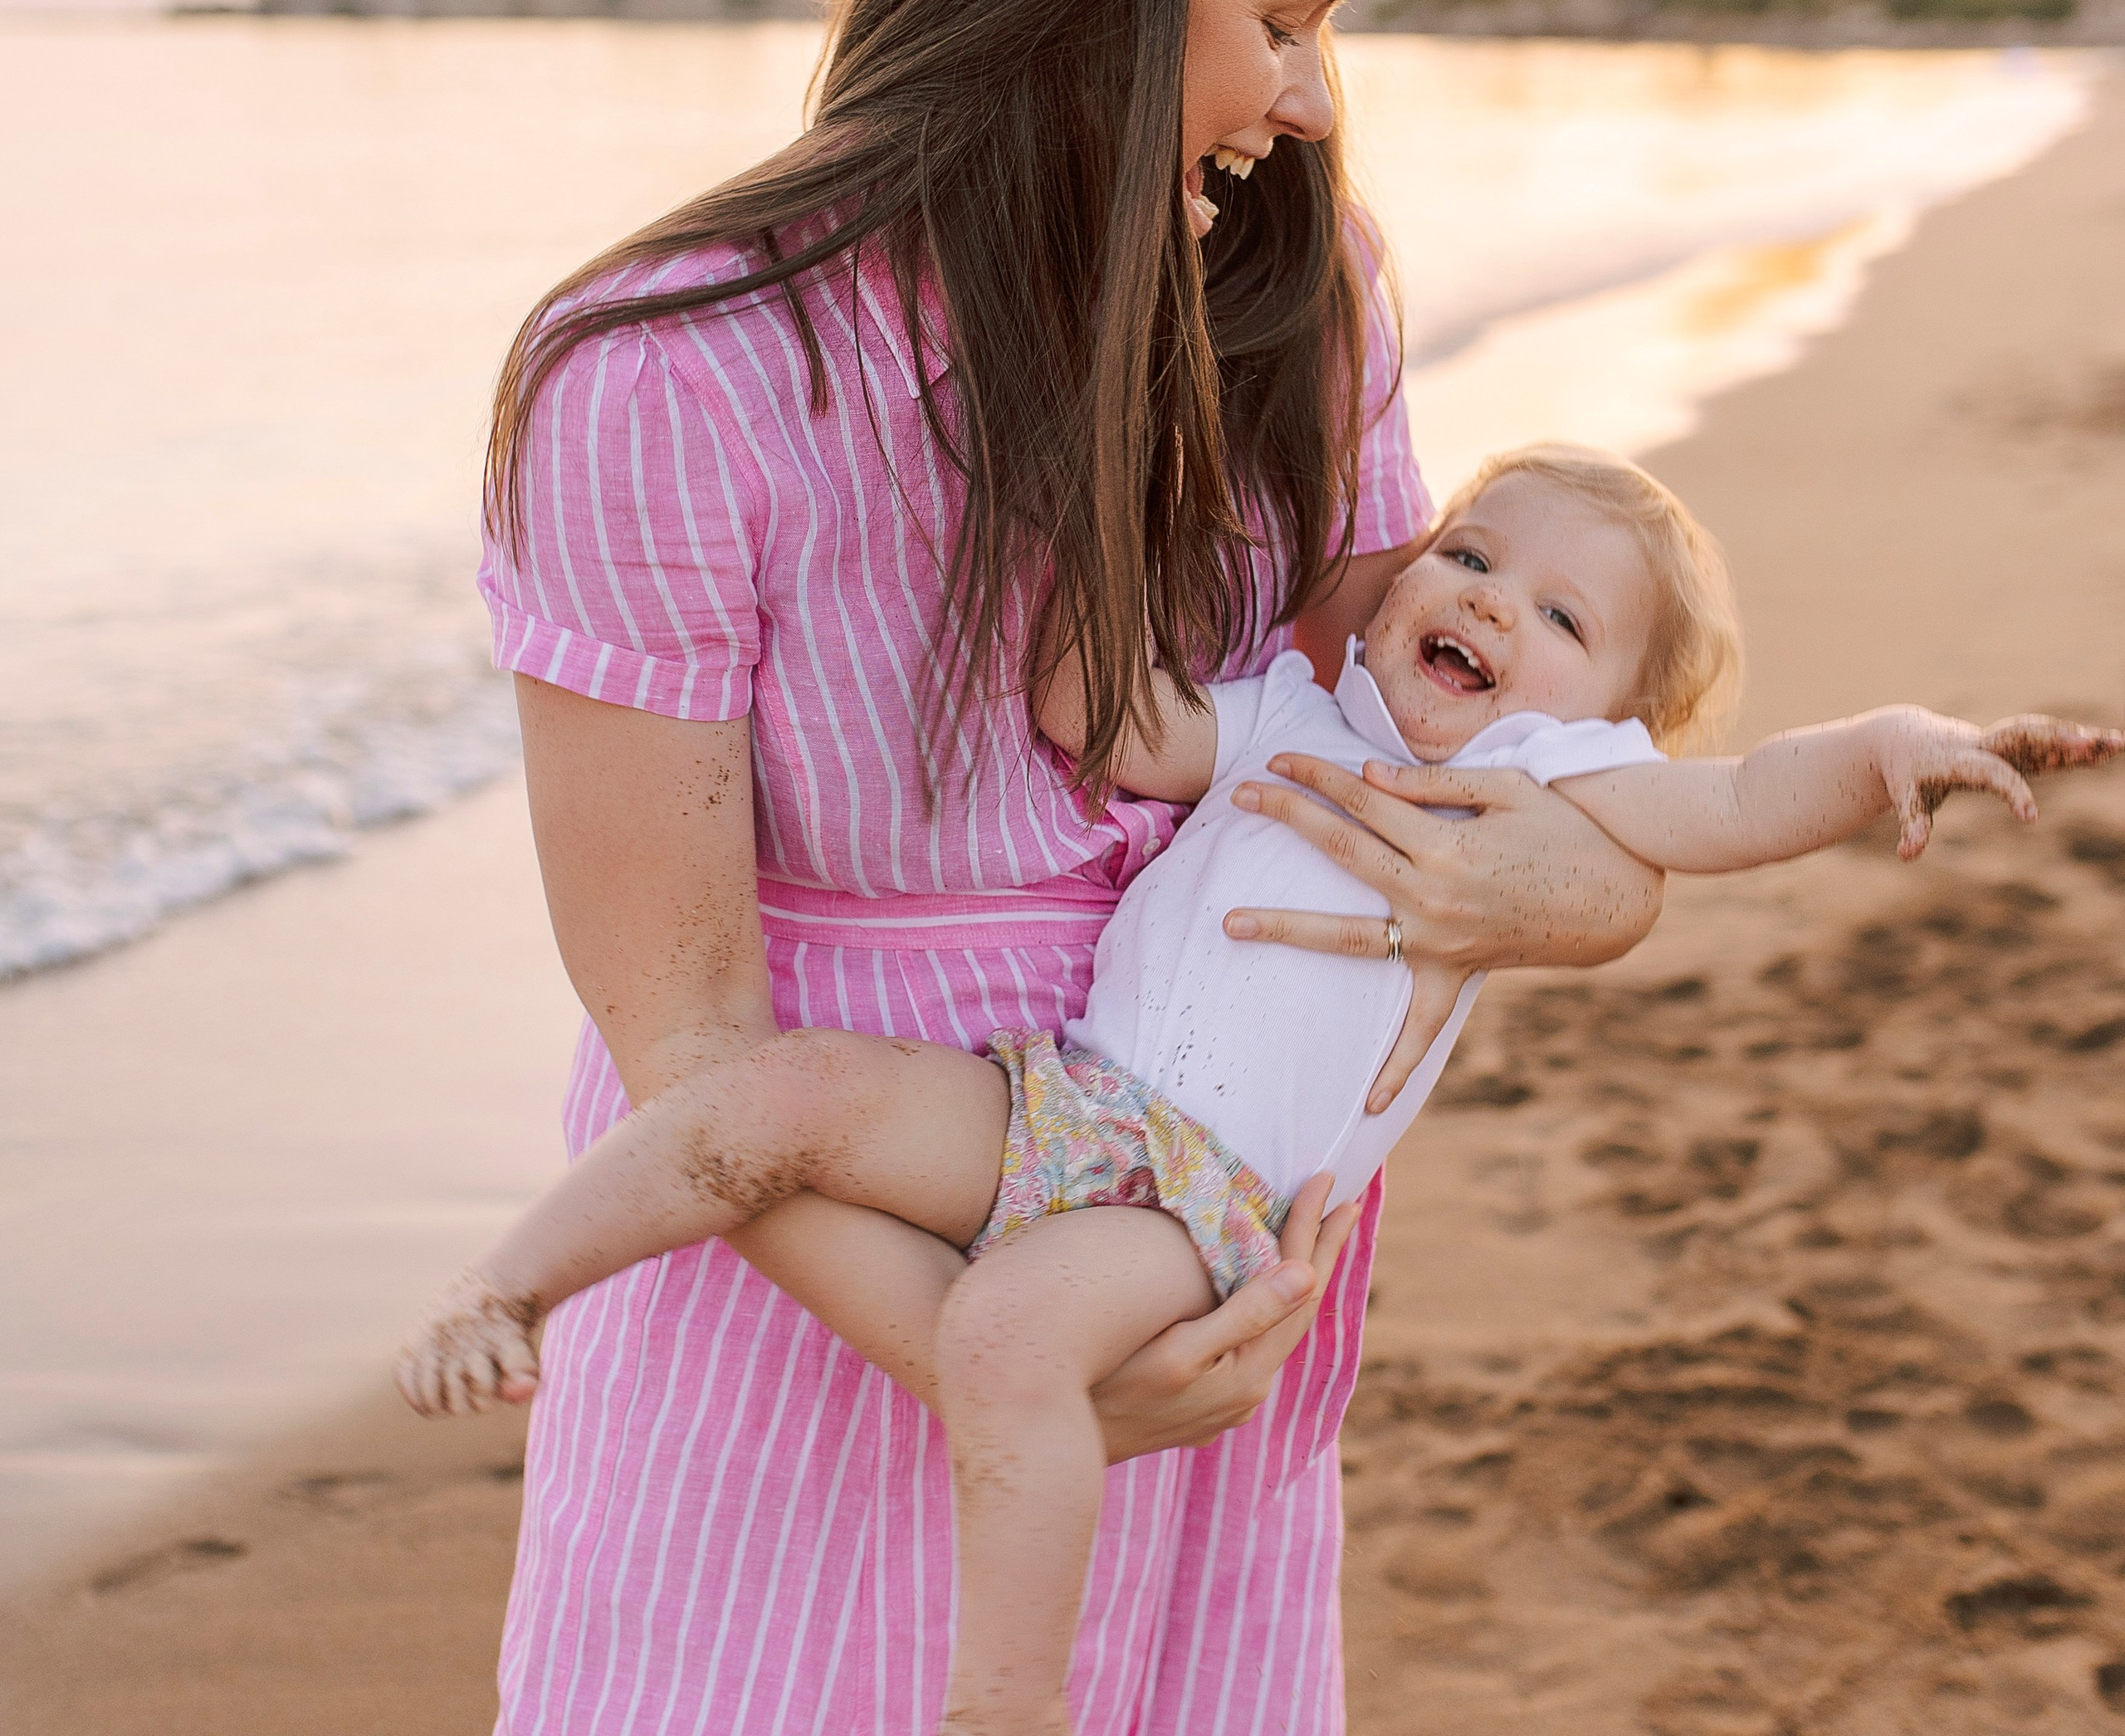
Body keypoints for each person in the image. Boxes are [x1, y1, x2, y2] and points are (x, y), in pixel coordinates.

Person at [467, 0, 1677, 1730]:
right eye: (1280, 18)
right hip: (831, 1285)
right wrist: (983, 1345)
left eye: (1329, 25)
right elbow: (678, 1032)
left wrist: (1590, 892)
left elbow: (1443, 747)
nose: (1311, 96)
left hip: (1201, 1276)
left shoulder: (1311, 296)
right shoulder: (663, 376)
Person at [403, 443, 2120, 1734]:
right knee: (778, 1099)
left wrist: (1892, 738)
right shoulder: (1290, 711)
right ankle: (510, 1286)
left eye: (1558, 614)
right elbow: (1108, 721)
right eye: (1467, 551)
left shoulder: (1559, 775)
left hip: (1201, 1199)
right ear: (1387, 582)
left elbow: (1747, 795)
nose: (1488, 604)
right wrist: (1064, 512)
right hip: (1066, 1096)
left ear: (1614, 707)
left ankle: (999, 1706)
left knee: (1005, 1335)